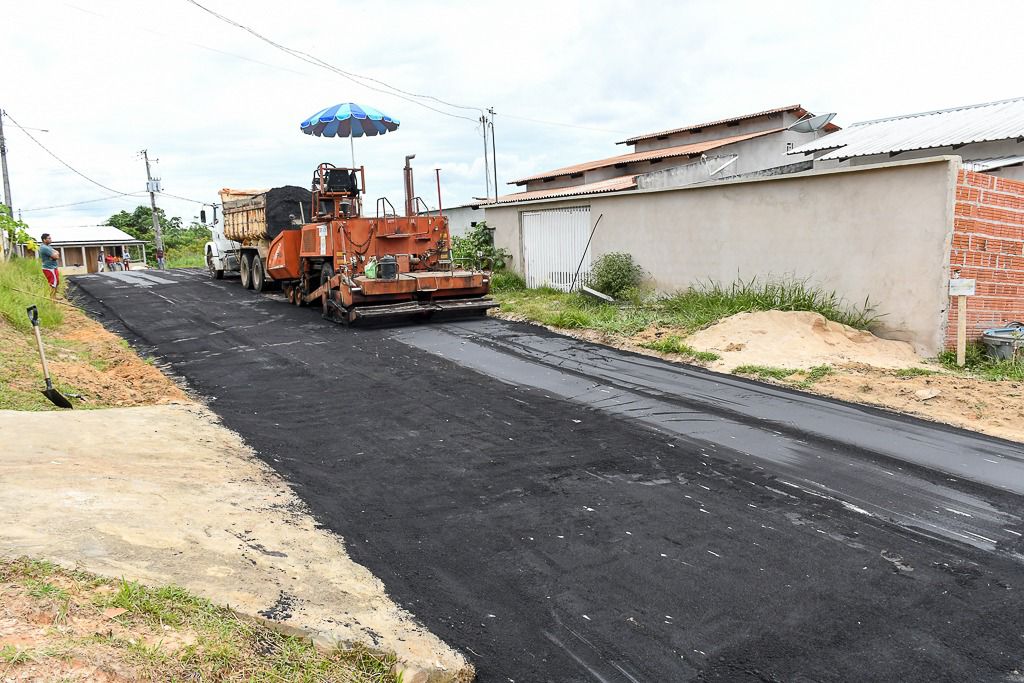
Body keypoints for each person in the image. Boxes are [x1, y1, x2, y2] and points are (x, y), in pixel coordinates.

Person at [38, 233, 60, 299]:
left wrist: (55, 255)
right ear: (44, 240)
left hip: (53, 267)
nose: (51, 240)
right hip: (49, 268)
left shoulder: (48, 246)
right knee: (53, 283)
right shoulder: (44, 248)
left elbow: (57, 252)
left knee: (56, 282)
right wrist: (55, 255)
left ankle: (55, 297)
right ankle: (52, 298)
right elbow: (56, 257)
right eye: (49, 238)